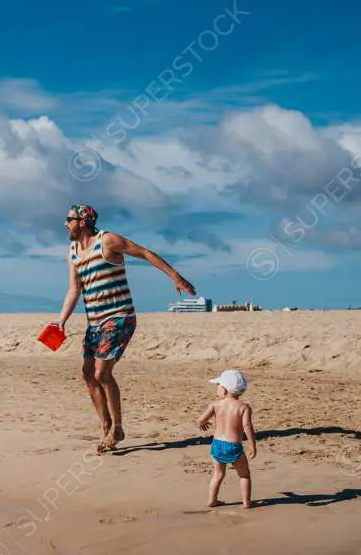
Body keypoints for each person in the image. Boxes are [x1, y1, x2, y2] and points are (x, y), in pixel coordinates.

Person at [56, 203, 196, 452]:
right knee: (88, 374)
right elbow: (74, 289)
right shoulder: (73, 251)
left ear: (82, 221)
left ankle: (117, 428)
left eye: (69, 219)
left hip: (120, 316)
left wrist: (174, 275)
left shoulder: (108, 240)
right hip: (95, 322)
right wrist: (61, 320)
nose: (65, 223)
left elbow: (144, 252)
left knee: (101, 373)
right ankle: (105, 427)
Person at [197, 368, 256, 508]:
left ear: (223, 390)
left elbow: (200, 420)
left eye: (218, 385)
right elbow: (247, 426)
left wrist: (205, 424)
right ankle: (246, 502)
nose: (216, 388)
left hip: (217, 445)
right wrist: (252, 444)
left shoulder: (216, 405)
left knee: (218, 474)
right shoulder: (243, 407)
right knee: (244, 475)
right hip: (233, 446)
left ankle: (212, 500)